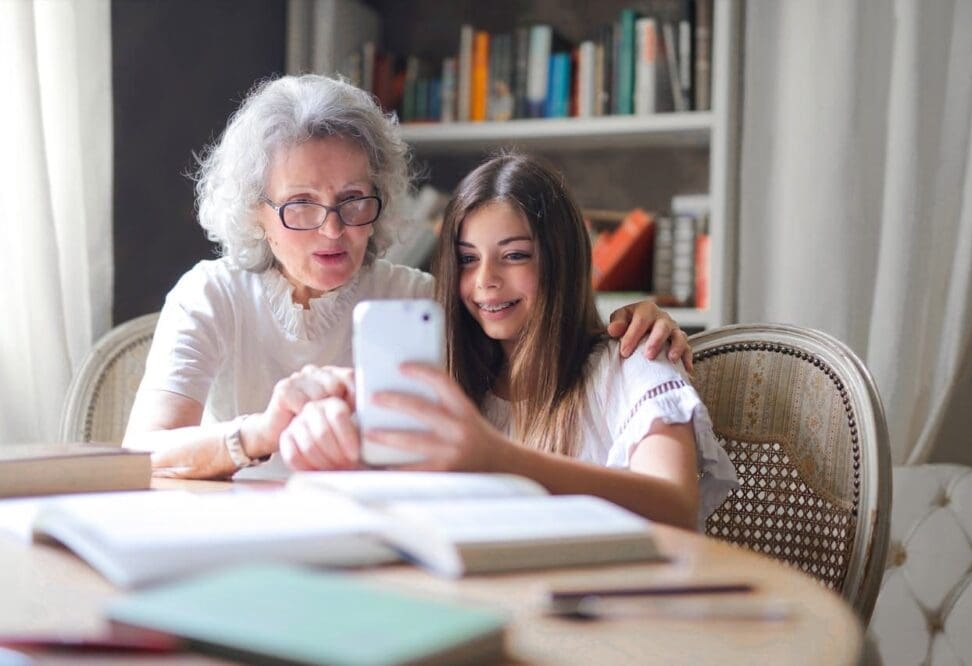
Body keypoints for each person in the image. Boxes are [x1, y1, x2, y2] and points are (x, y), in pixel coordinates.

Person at [122, 74, 692, 480]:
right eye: (301, 205)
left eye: (353, 200)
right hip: (234, 540)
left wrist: (639, 320)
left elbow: (538, 339)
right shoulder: (211, 293)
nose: (333, 230)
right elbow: (143, 452)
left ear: (383, 196)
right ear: (255, 212)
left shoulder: (422, 301)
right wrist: (261, 433)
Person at [279, 153, 739, 530]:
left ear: (561, 260)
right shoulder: (453, 379)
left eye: (514, 256)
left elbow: (676, 507)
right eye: (467, 260)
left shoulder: (633, 361)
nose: (485, 282)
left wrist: (497, 458)